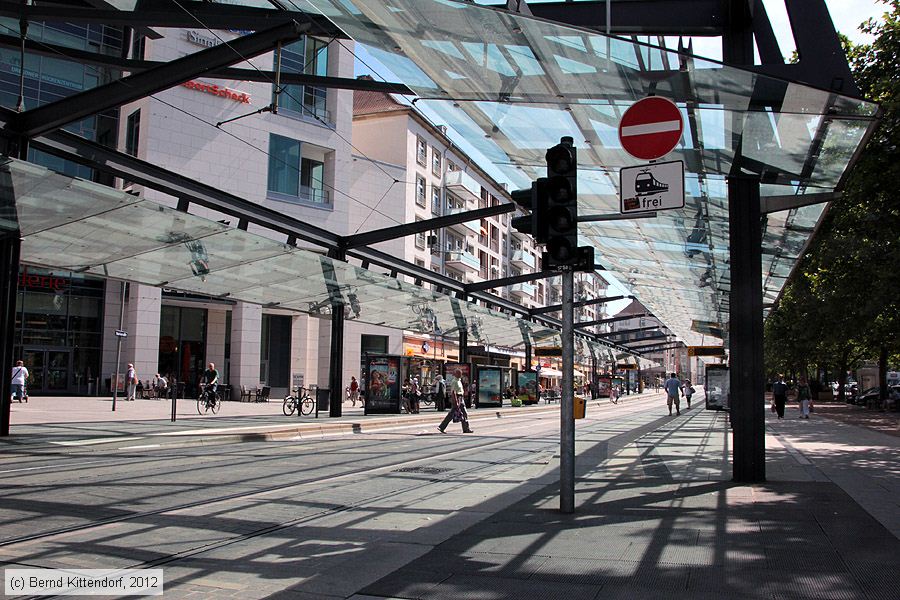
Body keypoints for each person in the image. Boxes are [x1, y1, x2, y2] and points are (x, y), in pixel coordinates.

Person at [438, 368, 473, 434]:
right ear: (456, 374)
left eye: (461, 373)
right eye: (459, 373)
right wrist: (456, 401)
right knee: (452, 414)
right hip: (457, 398)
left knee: (462, 413)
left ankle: (466, 428)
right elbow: (453, 392)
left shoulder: (459, 380)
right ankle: (442, 427)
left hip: (460, 398)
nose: (460, 374)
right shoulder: (454, 381)